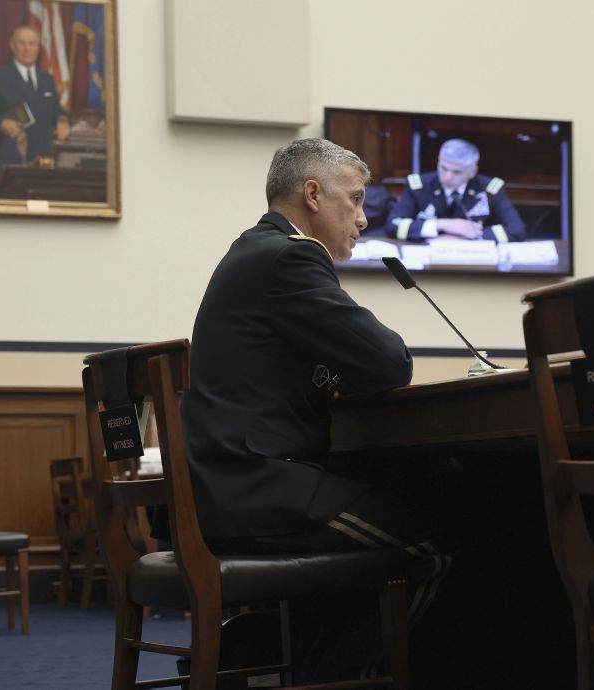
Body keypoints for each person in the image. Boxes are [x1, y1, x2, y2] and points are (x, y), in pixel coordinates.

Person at [181, 139, 454, 636]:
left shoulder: (253, 252)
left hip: (229, 488)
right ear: (313, 194)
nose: (363, 218)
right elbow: (390, 363)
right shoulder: (291, 259)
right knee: (435, 536)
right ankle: (333, 675)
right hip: (258, 494)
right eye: (354, 199)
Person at [383, 138, 526, 243]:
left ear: (472, 171)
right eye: (443, 168)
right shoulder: (420, 186)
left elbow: (517, 230)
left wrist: (464, 237)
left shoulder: (488, 189)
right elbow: (393, 225)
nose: (447, 177)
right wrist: (444, 225)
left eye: (457, 172)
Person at [0, 25, 71, 174]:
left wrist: (62, 119)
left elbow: (55, 108)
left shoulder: (47, 79)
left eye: (32, 44)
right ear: (12, 46)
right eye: (22, 43)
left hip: (45, 159)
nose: (27, 49)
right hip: (10, 158)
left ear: (39, 48)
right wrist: (1, 123)